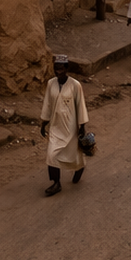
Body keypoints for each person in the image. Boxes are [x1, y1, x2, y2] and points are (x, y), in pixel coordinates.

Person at [39, 55, 90, 196]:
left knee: (73, 152)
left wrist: (82, 126)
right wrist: (44, 123)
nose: (58, 72)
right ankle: (56, 183)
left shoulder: (75, 85)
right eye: (56, 69)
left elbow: (80, 106)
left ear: (66, 69)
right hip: (55, 126)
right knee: (51, 154)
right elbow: (47, 104)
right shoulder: (51, 84)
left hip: (70, 126)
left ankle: (79, 167)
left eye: (61, 69)